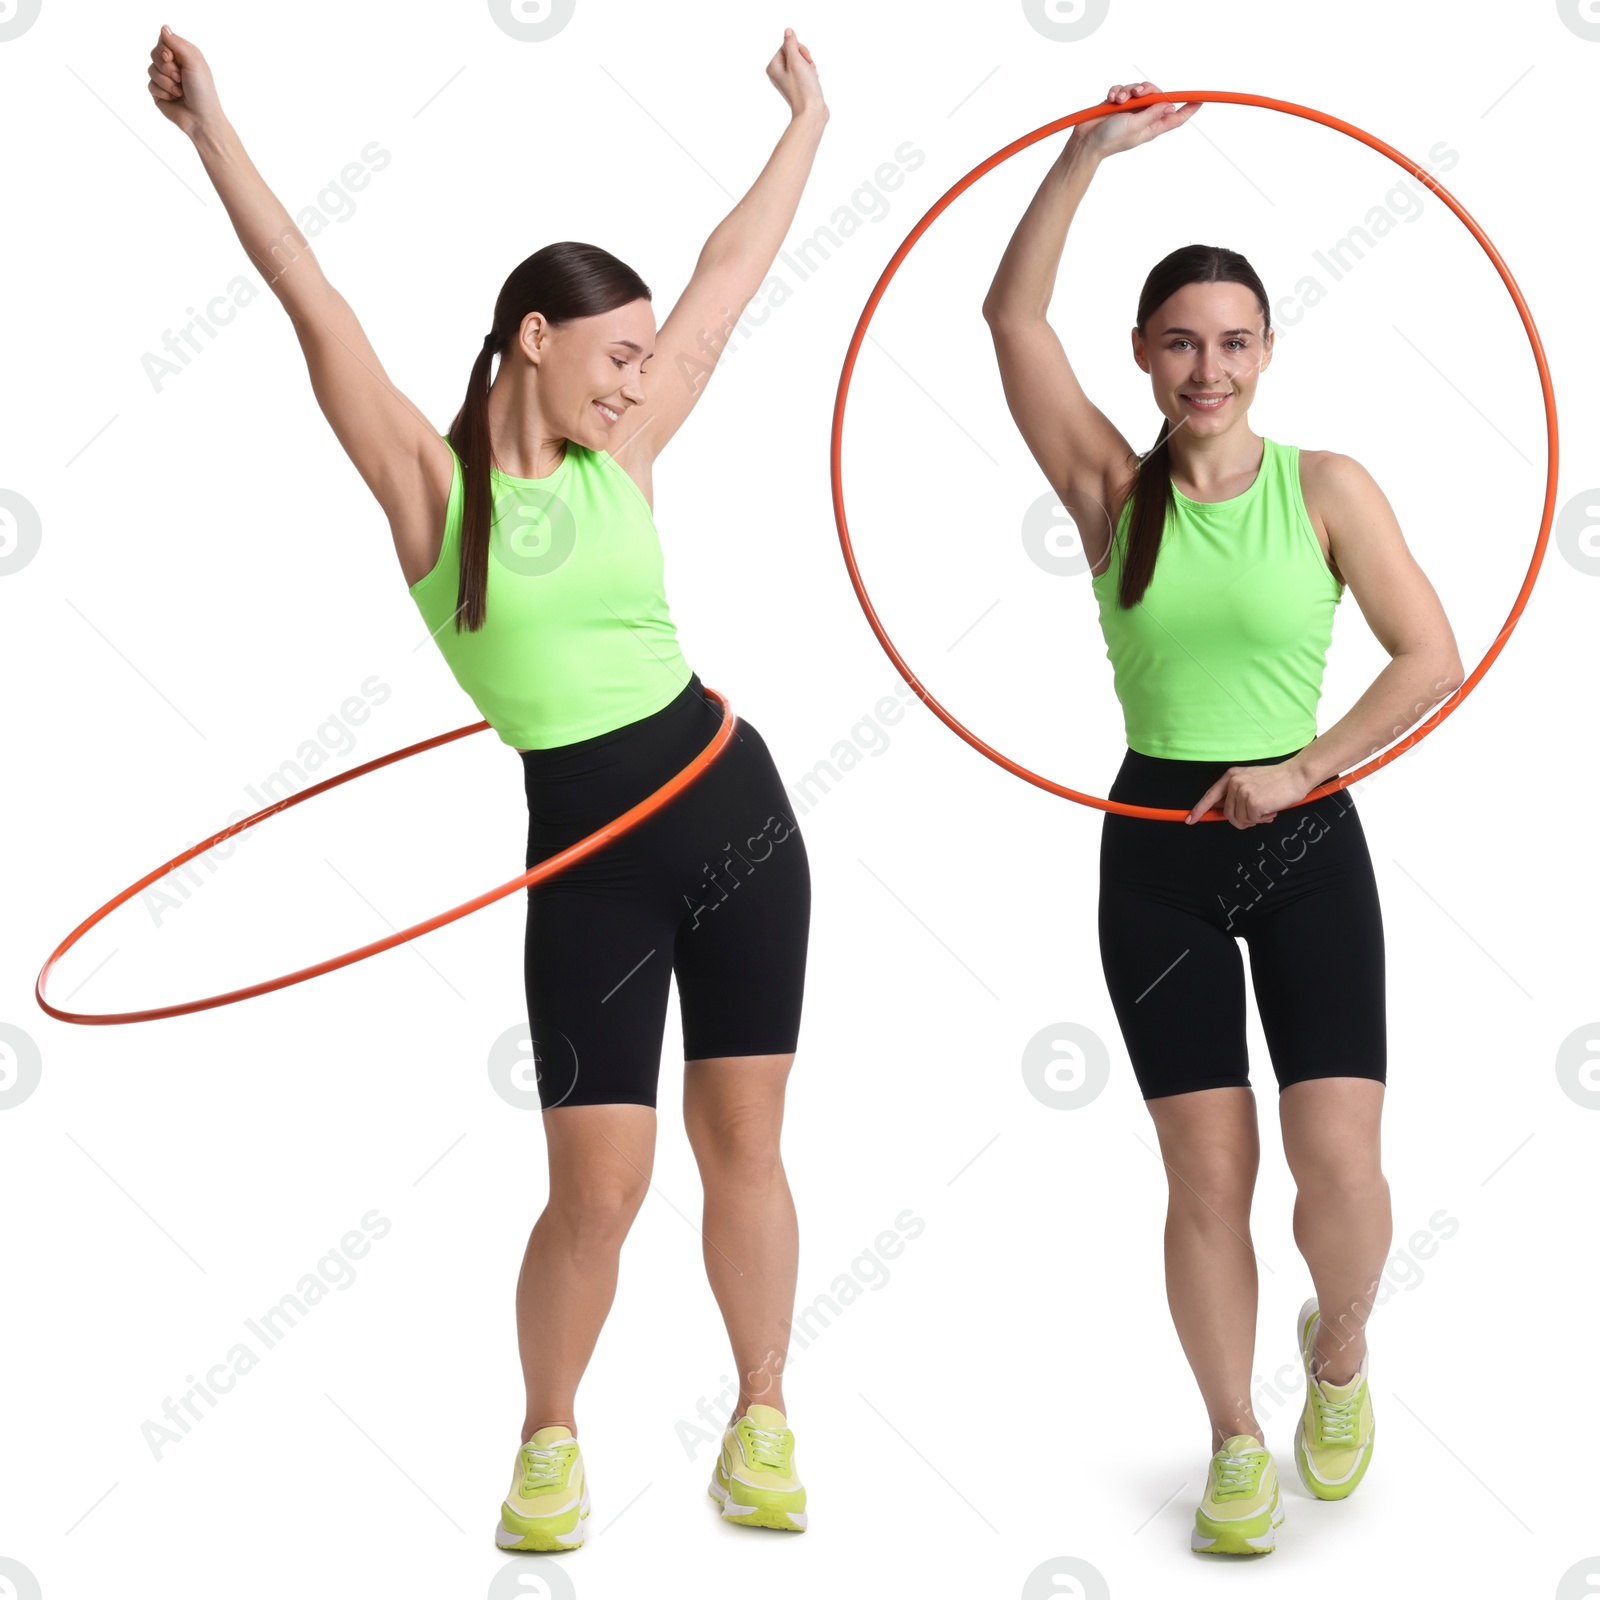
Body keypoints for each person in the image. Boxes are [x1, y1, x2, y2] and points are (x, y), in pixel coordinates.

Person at [147, 23, 829, 1550]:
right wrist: (212, 132)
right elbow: (304, 286)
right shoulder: (428, 488)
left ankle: (763, 1415)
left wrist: (808, 123)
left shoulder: (629, 450)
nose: (642, 377)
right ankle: (549, 1440)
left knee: (746, 1146)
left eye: (647, 360)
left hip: (733, 815)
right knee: (600, 1186)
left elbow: (730, 276)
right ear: (534, 334)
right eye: (618, 354)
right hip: (586, 856)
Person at [982, 82, 1464, 1556]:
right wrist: (1083, 156)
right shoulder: (1111, 495)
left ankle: (1338, 1353)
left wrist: (1304, 769)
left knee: (1346, 1179)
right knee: (1208, 1174)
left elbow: (1428, 655)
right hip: (1156, 851)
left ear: (1268, 353)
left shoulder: (1328, 488)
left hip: (1310, 841)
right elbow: (1011, 323)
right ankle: (1235, 1443)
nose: (1210, 367)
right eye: (1182, 342)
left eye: (1236, 343)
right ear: (1145, 355)